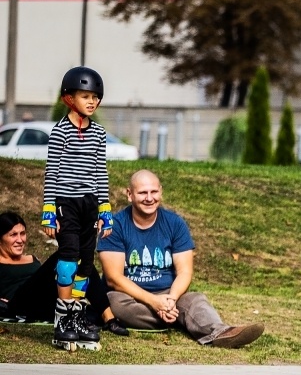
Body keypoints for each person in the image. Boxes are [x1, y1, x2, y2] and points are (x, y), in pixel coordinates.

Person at [97, 170, 264, 348]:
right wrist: (154, 302)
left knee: (195, 300)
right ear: (129, 194)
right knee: (113, 303)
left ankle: (220, 332)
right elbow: (114, 279)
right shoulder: (115, 226)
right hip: (129, 295)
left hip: (169, 293)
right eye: (143, 193)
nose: (149, 198)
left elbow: (185, 271)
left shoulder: (175, 223)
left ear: (161, 191)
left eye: (154, 192)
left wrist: (171, 299)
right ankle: (180, 319)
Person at [42, 66, 115, 350]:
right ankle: (62, 320)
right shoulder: (60, 132)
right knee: (68, 261)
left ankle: (76, 316)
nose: (92, 101)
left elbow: (100, 173)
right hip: (66, 204)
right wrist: (49, 210)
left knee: (85, 263)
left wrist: (105, 210)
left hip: (90, 204)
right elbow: (52, 173)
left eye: (95, 97)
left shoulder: (99, 133)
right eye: (85, 96)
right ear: (69, 99)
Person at [0, 211, 128, 335]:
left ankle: (106, 316)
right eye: (13, 235)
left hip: (45, 303)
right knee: (65, 255)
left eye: (22, 234)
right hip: (19, 304)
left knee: (82, 259)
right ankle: (109, 318)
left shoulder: (31, 259)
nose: (20, 240)